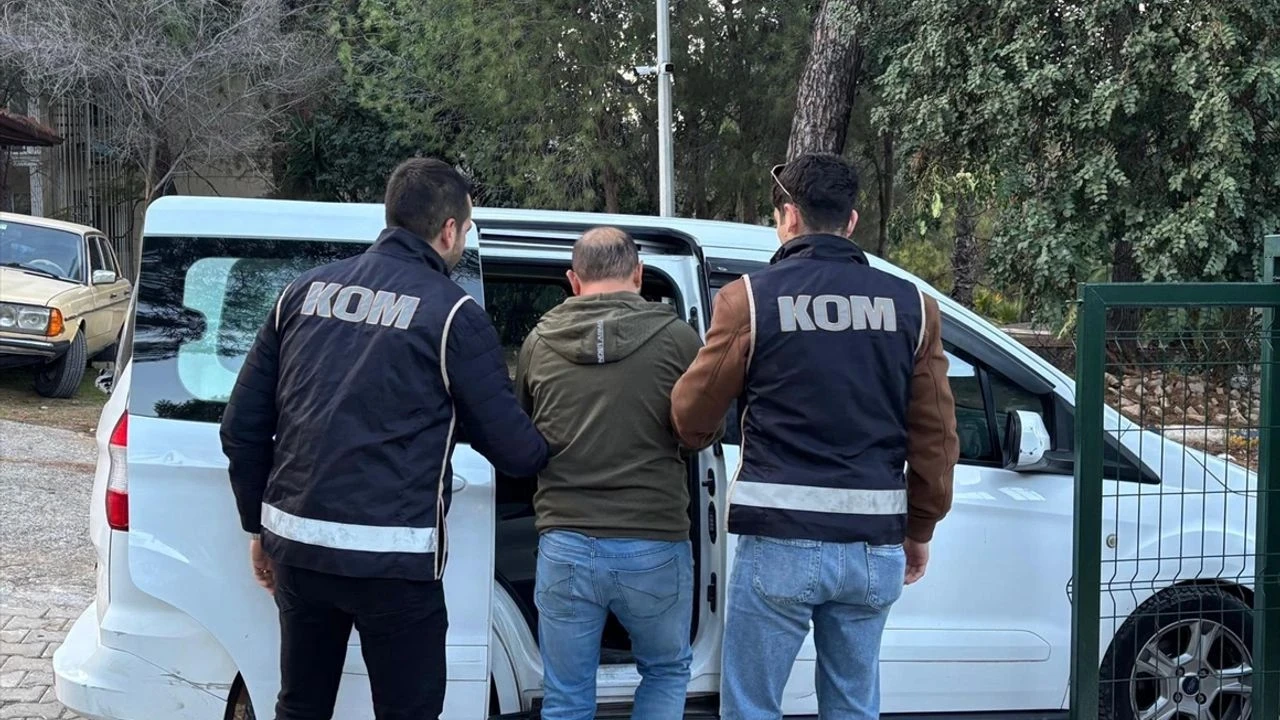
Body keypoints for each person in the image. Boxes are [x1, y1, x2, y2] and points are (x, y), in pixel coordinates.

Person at [220, 157, 549, 720]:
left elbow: (240, 428)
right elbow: (516, 451)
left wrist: (259, 526)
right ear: (449, 229)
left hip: (298, 549)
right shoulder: (453, 314)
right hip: (394, 564)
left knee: (300, 706)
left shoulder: (301, 293)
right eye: (467, 229)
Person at [670, 153, 959, 719]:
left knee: (752, 707)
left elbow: (691, 416)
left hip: (778, 541)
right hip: (873, 546)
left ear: (789, 218)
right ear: (851, 222)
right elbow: (938, 439)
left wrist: (702, 434)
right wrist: (920, 527)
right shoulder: (914, 307)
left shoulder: (750, 300)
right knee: (853, 706)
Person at [513, 227, 719, 720]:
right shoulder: (679, 339)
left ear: (573, 281)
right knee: (666, 671)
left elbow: (521, 435)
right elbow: (702, 430)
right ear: (639, 275)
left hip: (564, 543)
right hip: (653, 541)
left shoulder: (537, 343)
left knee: (566, 694)